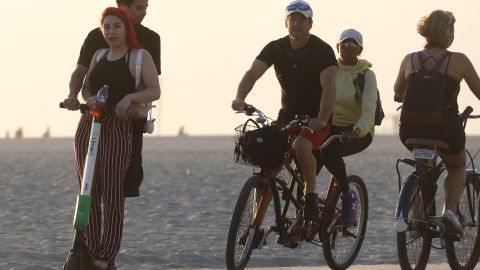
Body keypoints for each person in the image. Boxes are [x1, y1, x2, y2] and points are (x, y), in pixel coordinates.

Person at [232, 0, 348, 223]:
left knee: (301, 146)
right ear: (286, 22)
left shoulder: (322, 50)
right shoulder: (276, 47)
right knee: (268, 164)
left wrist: (322, 119)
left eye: (301, 20)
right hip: (287, 115)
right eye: (292, 19)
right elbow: (252, 73)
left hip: (316, 117)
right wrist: (240, 98)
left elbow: (329, 87)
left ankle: (310, 193)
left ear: (310, 24)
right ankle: (257, 221)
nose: (296, 24)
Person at [63, 7, 160, 269]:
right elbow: (87, 87)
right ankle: (91, 250)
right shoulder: (98, 55)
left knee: (112, 192)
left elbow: (154, 90)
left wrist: (130, 98)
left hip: (119, 126)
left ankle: (106, 256)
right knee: (88, 191)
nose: (111, 32)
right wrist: (87, 98)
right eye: (107, 27)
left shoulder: (140, 56)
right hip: (90, 124)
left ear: (127, 28)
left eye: (117, 26)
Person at [394, 10, 480, 235]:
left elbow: (397, 93)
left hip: (410, 130)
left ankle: (416, 218)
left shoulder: (409, 59)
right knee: (457, 165)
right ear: (447, 31)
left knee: (424, 168)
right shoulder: (458, 60)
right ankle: (449, 211)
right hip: (444, 130)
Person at [315, 28, 378, 222]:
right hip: (330, 125)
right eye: (344, 43)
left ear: (360, 50)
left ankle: (347, 196)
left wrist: (357, 131)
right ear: (337, 47)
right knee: (308, 156)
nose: (348, 47)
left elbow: (369, 109)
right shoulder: (329, 69)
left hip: (357, 130)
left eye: (353, 44)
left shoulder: (366, 75)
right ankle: (309, 199)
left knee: (329, 152)